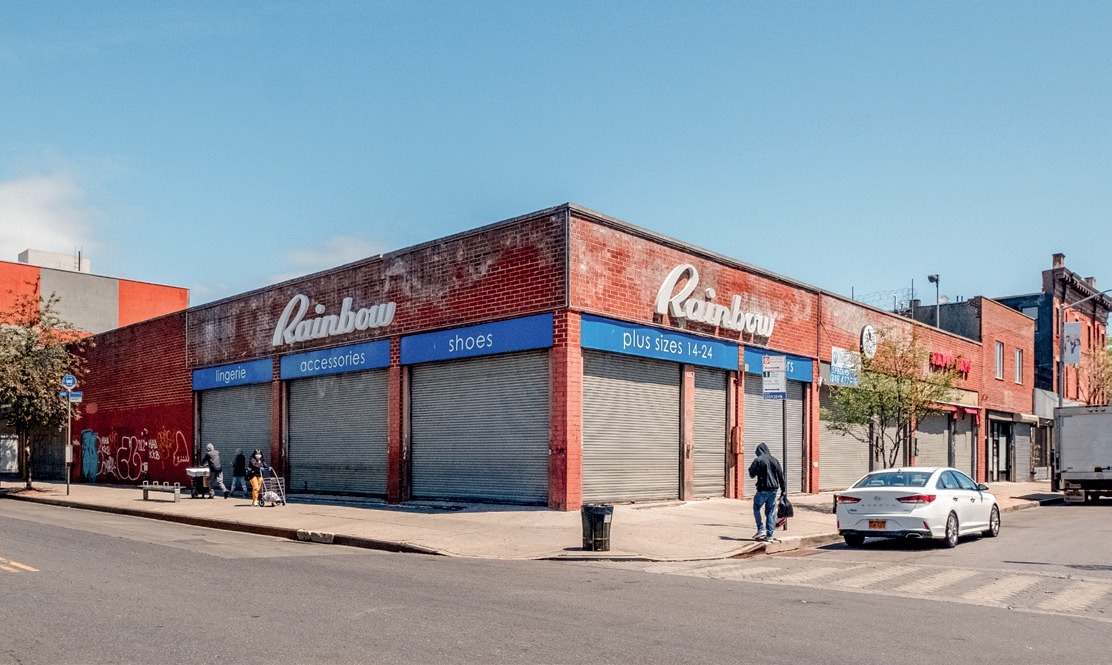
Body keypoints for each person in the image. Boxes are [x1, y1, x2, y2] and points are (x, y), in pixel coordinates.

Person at [748, 442, 786, 542]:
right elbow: (781, 476)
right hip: (774, 490)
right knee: (769, 511)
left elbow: (751, 474)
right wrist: (783, 491)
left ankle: (761, 528)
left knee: (756, 507)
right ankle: (770, 535)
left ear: (759, 451)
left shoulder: (758, 460)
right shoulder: (775, 460)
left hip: (763, 489)